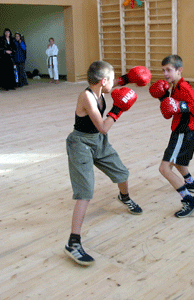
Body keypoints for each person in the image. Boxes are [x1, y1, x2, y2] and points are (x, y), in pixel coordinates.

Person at [64, 61, 151, 266]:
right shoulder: (87, 97)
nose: (116, 82)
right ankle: (73, 242)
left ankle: (124, 196)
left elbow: (118, 81)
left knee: (122, 173)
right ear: (103, 81)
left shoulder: (101, 86)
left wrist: (130, 78)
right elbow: (103, 127)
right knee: (85, 193)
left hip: (98, 143)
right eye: (112, 80)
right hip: (81, 144)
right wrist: (118, 109)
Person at [149, 55, 194, 218]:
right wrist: (163, 97)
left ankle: (189, 200)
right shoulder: (175, 86)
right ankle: (191, 183)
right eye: (163, 70)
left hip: (183, 132)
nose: (165, 73)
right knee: (179, 161)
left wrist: (179, 105)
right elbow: (169, 111)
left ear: (179, 70)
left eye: (169, 70)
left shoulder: (184, 87)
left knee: (164, 168)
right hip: (185, 131)